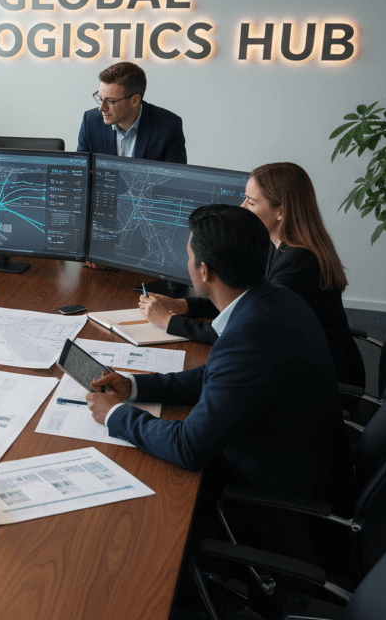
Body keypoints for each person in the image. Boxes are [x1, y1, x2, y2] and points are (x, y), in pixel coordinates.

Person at [84, 204, 351, 510]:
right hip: (307, 461)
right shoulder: (277, 298)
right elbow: (215, 374)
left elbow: (188, 446)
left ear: (205, 270)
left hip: (285, 501)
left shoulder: (247, 339)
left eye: (189, 256)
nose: (187, 262)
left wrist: (114, 414)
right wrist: (135, 386)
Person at [139, 162, 366, 388]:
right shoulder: (275, 246)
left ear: (280, 211)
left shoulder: (298, 264)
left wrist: (170, 322)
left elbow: (243, 328)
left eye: (251, 201)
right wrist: (183, 306)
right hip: (299, 361)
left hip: (331, 383)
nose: (242, 207)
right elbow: (240, 298)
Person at [76, 61, 186, 163]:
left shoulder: (168, 126)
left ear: (134, 100)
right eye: (100, 98)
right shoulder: (90, 121)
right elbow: (81, 173)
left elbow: (175, 181)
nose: (101, 108)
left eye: (110, 101)